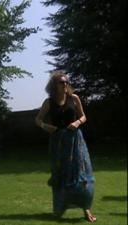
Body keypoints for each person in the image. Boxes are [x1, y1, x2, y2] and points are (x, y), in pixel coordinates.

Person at [35, 71, 97, 223]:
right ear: (54, 85)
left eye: (66, 82)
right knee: (60, 174)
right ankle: (60, 208)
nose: (65, 84)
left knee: (80, 173)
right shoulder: (48, 102)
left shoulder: (74, 98)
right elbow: (38, 119)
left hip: (75, 141)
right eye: (62, 82)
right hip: (58, 143)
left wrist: (77, 122)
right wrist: (45, 126)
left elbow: (83, 116)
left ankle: (86, 208)